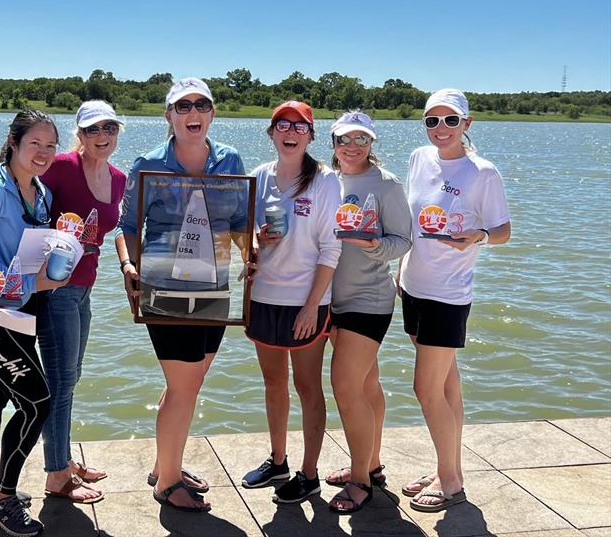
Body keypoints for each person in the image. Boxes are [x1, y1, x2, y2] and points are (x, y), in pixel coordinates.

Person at [117, 78, 253, 512]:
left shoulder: (230, 160)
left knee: (188, 386)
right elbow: (127, 226)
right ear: (169, 116)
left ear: (212, 114)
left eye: (201, 105)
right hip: (164, 288)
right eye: (183, 106)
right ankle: (167, 483)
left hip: (215, 287)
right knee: (182, 387)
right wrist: (129, 266)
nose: (193, 112)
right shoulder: (148, 163)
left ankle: (166, 463)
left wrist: (252, 253)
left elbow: (239, 222)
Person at [397, 89, 511, 513]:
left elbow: (503, 230)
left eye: (449, 120)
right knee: (447, 384)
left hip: (448, 294)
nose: (440, 129)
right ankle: (449, 466)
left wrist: (478, 236)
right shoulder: (418, 159)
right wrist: (400, 270)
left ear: (467, 123)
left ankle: (450, 482)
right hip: (412, 286)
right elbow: (412, 222)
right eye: (432, 121)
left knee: (425, 389)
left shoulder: (483, 172)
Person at [0, 110, 69, 536]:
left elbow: (29, 247)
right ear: (14, 143)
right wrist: (31, 280)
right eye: (34, 144)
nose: (42, 153)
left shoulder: (39, 191)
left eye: (50, 145)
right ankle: (4, 499)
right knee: (37, 401)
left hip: (22, 312)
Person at [240, 101, 341, 504]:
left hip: (306, 301)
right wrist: (253, 242)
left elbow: (331, 250)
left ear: (311, 137)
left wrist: (311, 306)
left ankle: (309, 473)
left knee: (307, 386)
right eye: (283, 125)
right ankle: (278, 460)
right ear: (271, 133)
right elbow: (241, 235)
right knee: (272, 382)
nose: (291, 132)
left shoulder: (325, 180)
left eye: (300, 127)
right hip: (263, 295)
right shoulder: (258, 176)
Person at [37, 100, 127, 504]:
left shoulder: (119, 177)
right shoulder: (58, 166)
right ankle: (56, 474)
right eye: (92, 130)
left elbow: (117, 226)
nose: (102, 136)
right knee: (60, 382)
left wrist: (127, 263)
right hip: (55, 289)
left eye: (109, 128)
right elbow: (26, 207)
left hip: (86, 286)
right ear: (80, 134)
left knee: (69, 378)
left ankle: (63, 458)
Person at [323, 112, 412, 514]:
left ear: (372, 143)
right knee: (367, 383)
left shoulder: (386, 184)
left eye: (362, 139)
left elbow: (404, 239)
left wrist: (377, 248)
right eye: (345, 139)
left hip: (369, 299)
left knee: (345, 386)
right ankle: (371, 464)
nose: (353, 146)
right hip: (331, 298)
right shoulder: (325, 179)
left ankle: (359, 480)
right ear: (333, 142)